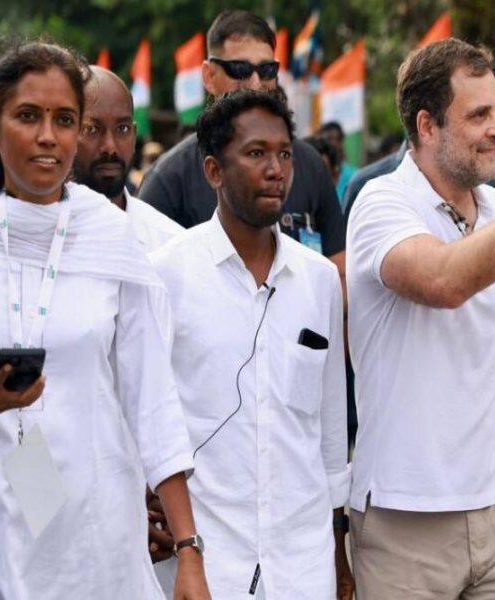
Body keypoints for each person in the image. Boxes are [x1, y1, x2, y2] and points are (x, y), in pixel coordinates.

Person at [346, 38, 495, 598]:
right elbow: (446, 281)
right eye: (478, 114)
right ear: (427, 126)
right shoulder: (381, 203)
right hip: (407, 520)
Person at [0, 42, 209, 599]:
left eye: (65, 120)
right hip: (2, 523)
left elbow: (152, 401)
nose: (48, 136)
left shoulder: (111, 240)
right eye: (28, 116)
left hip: (97, 531)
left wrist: (188, 550)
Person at [148, 90, 352, 599]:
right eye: (256, 153)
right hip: (209, 561)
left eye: (284, 153)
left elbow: (328, 430)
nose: (276, 169)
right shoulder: (167, 275)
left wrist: (338, 551)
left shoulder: (320, 279)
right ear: (214, 170)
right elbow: (154, 420)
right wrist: (184, 547)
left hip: (304, 565)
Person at [138, 10, 346, 268]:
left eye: (267, 70)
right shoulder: (169, 179)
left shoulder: (311, 164)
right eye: (240, 69)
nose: (256, 83)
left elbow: (339, 274)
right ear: (209, 76)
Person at [73, 66, 182, 252]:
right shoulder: (31, 236)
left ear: (134, 135)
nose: (110, 147)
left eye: (122, 129)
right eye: (92, 129)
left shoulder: (170, 245)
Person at [319, 121, 358, 203]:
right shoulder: (315, 176)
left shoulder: (355, 176)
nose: (327, 144)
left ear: (341, 142)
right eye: (324, 140)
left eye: (331, 139)